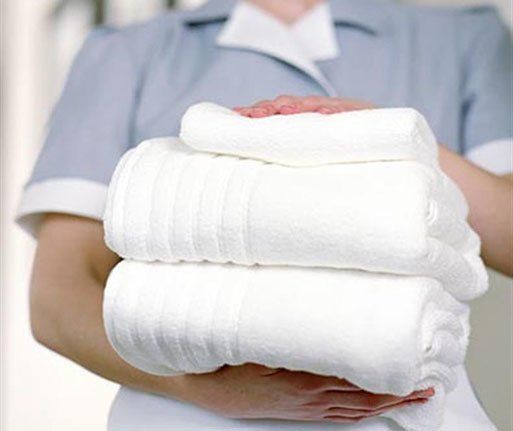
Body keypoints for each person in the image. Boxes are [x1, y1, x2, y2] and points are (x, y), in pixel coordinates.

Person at [16, 0, 512, 430]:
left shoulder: (460, 38)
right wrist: (195, 386)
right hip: (186, 418)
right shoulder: (127, 52)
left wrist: (388, 135)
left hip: (404, 408)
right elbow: (57, 299)